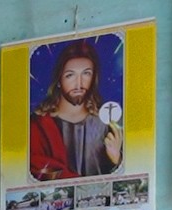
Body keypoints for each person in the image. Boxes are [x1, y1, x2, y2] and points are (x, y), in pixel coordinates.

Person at [30, 39, 123, 181]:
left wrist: (116, 160)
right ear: (59, 80)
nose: (79, 84)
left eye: (86, 74)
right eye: (70, 75)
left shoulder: (106, 123)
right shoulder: (39, 125)